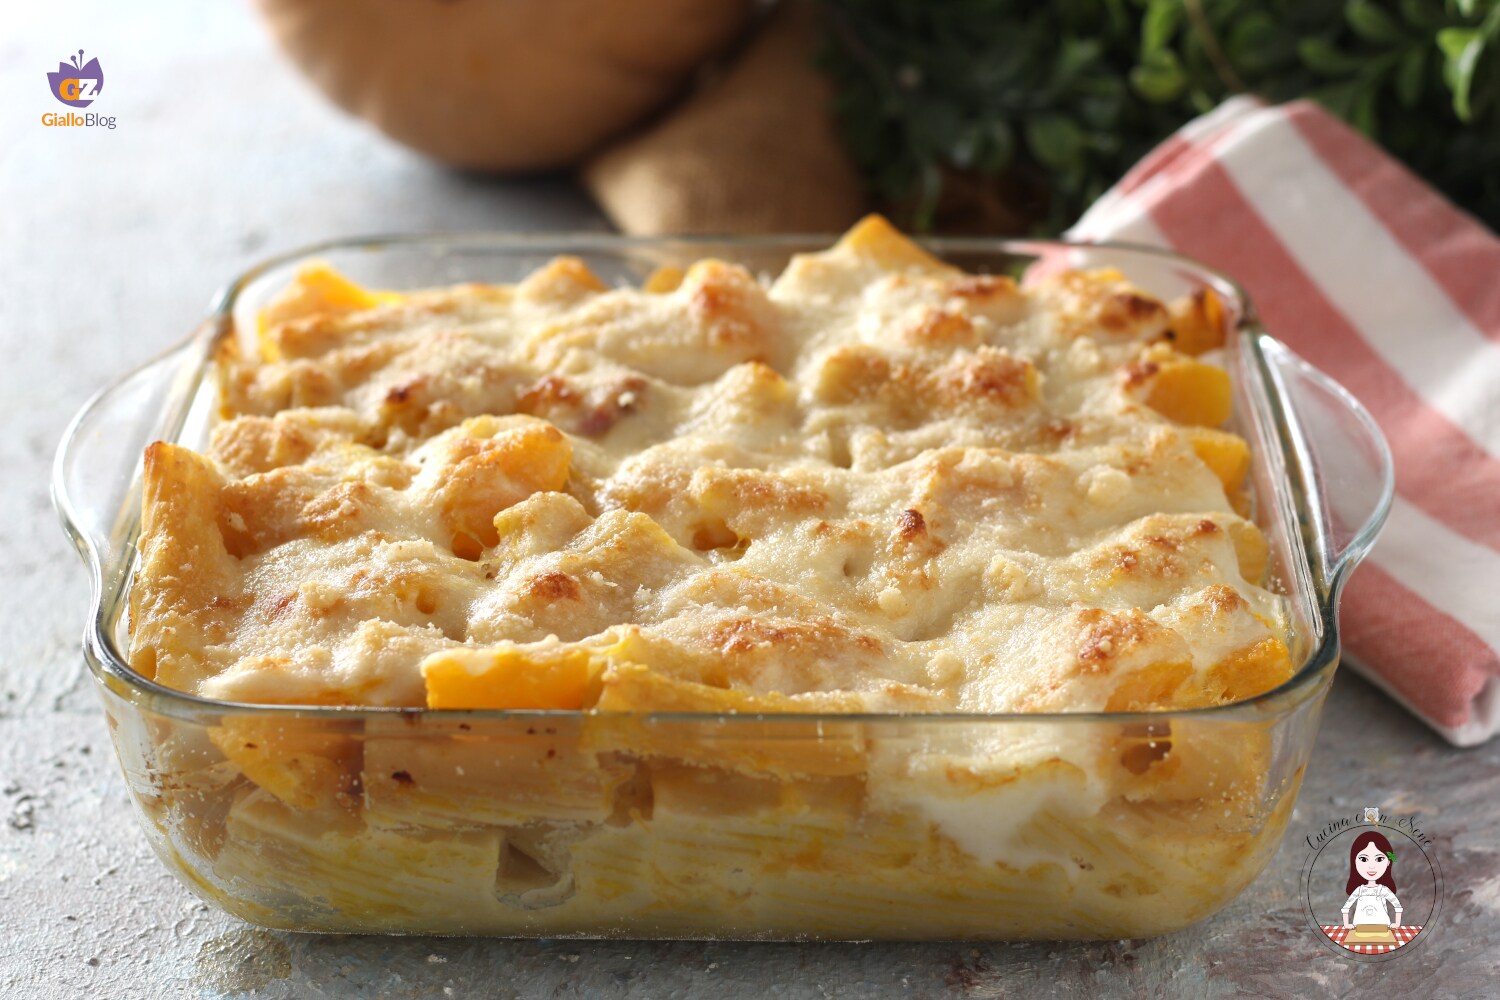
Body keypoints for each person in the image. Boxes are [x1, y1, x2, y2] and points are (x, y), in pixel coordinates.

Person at [1339, 831, 1402, 944]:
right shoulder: (1359, 890)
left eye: (1379, 859)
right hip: (1360, 928)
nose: (1372, 866)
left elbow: (1397, 906)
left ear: (1388, 862)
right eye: (1363, 859)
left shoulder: (1383, 890)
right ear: (1354, 862)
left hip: (1382, 929)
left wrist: (1396, 923)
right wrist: (1347, 924)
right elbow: (1346, 907)